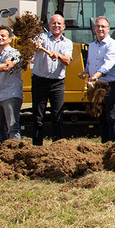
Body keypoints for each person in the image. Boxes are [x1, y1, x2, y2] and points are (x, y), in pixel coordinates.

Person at [78, 16, 115, 143]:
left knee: (111, 116)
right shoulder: (92, 46)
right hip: (98, 85)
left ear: (108, 29)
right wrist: (85, 72)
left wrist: (94, 77)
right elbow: (90, 64)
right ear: (94, 29)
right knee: (102, 117)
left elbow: (107, 66)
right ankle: (105, 144)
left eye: (103, 26)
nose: (100, 29)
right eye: (98, 26)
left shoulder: (113, 45)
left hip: (111, 85)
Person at [31, 14, 73, 146]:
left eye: (59, 24)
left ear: (63, 26)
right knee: (38, 117)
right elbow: (32, 48)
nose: (56, 26)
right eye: (54, 23)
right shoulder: (41, 38)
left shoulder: (67, 43)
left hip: (57, 83)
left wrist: (59, 55)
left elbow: (67, 61)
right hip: (40, 81)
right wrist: (35, 46)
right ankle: (37, 146)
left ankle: (58, 146)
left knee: (57, 116)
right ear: (49, 26)